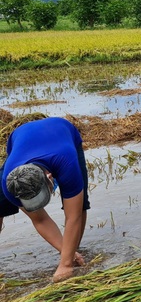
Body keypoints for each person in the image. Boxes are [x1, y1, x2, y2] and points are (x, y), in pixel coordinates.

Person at [0, 117, 90, 282]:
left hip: (62, 131)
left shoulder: (66, 162)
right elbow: (40, 220)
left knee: (79, 203)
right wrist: (65, 254)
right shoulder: (10, 183)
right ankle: (71, 253)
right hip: (19, 136)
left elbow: (74, 216)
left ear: (49, 178)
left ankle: (74, 250)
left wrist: (66, 264)